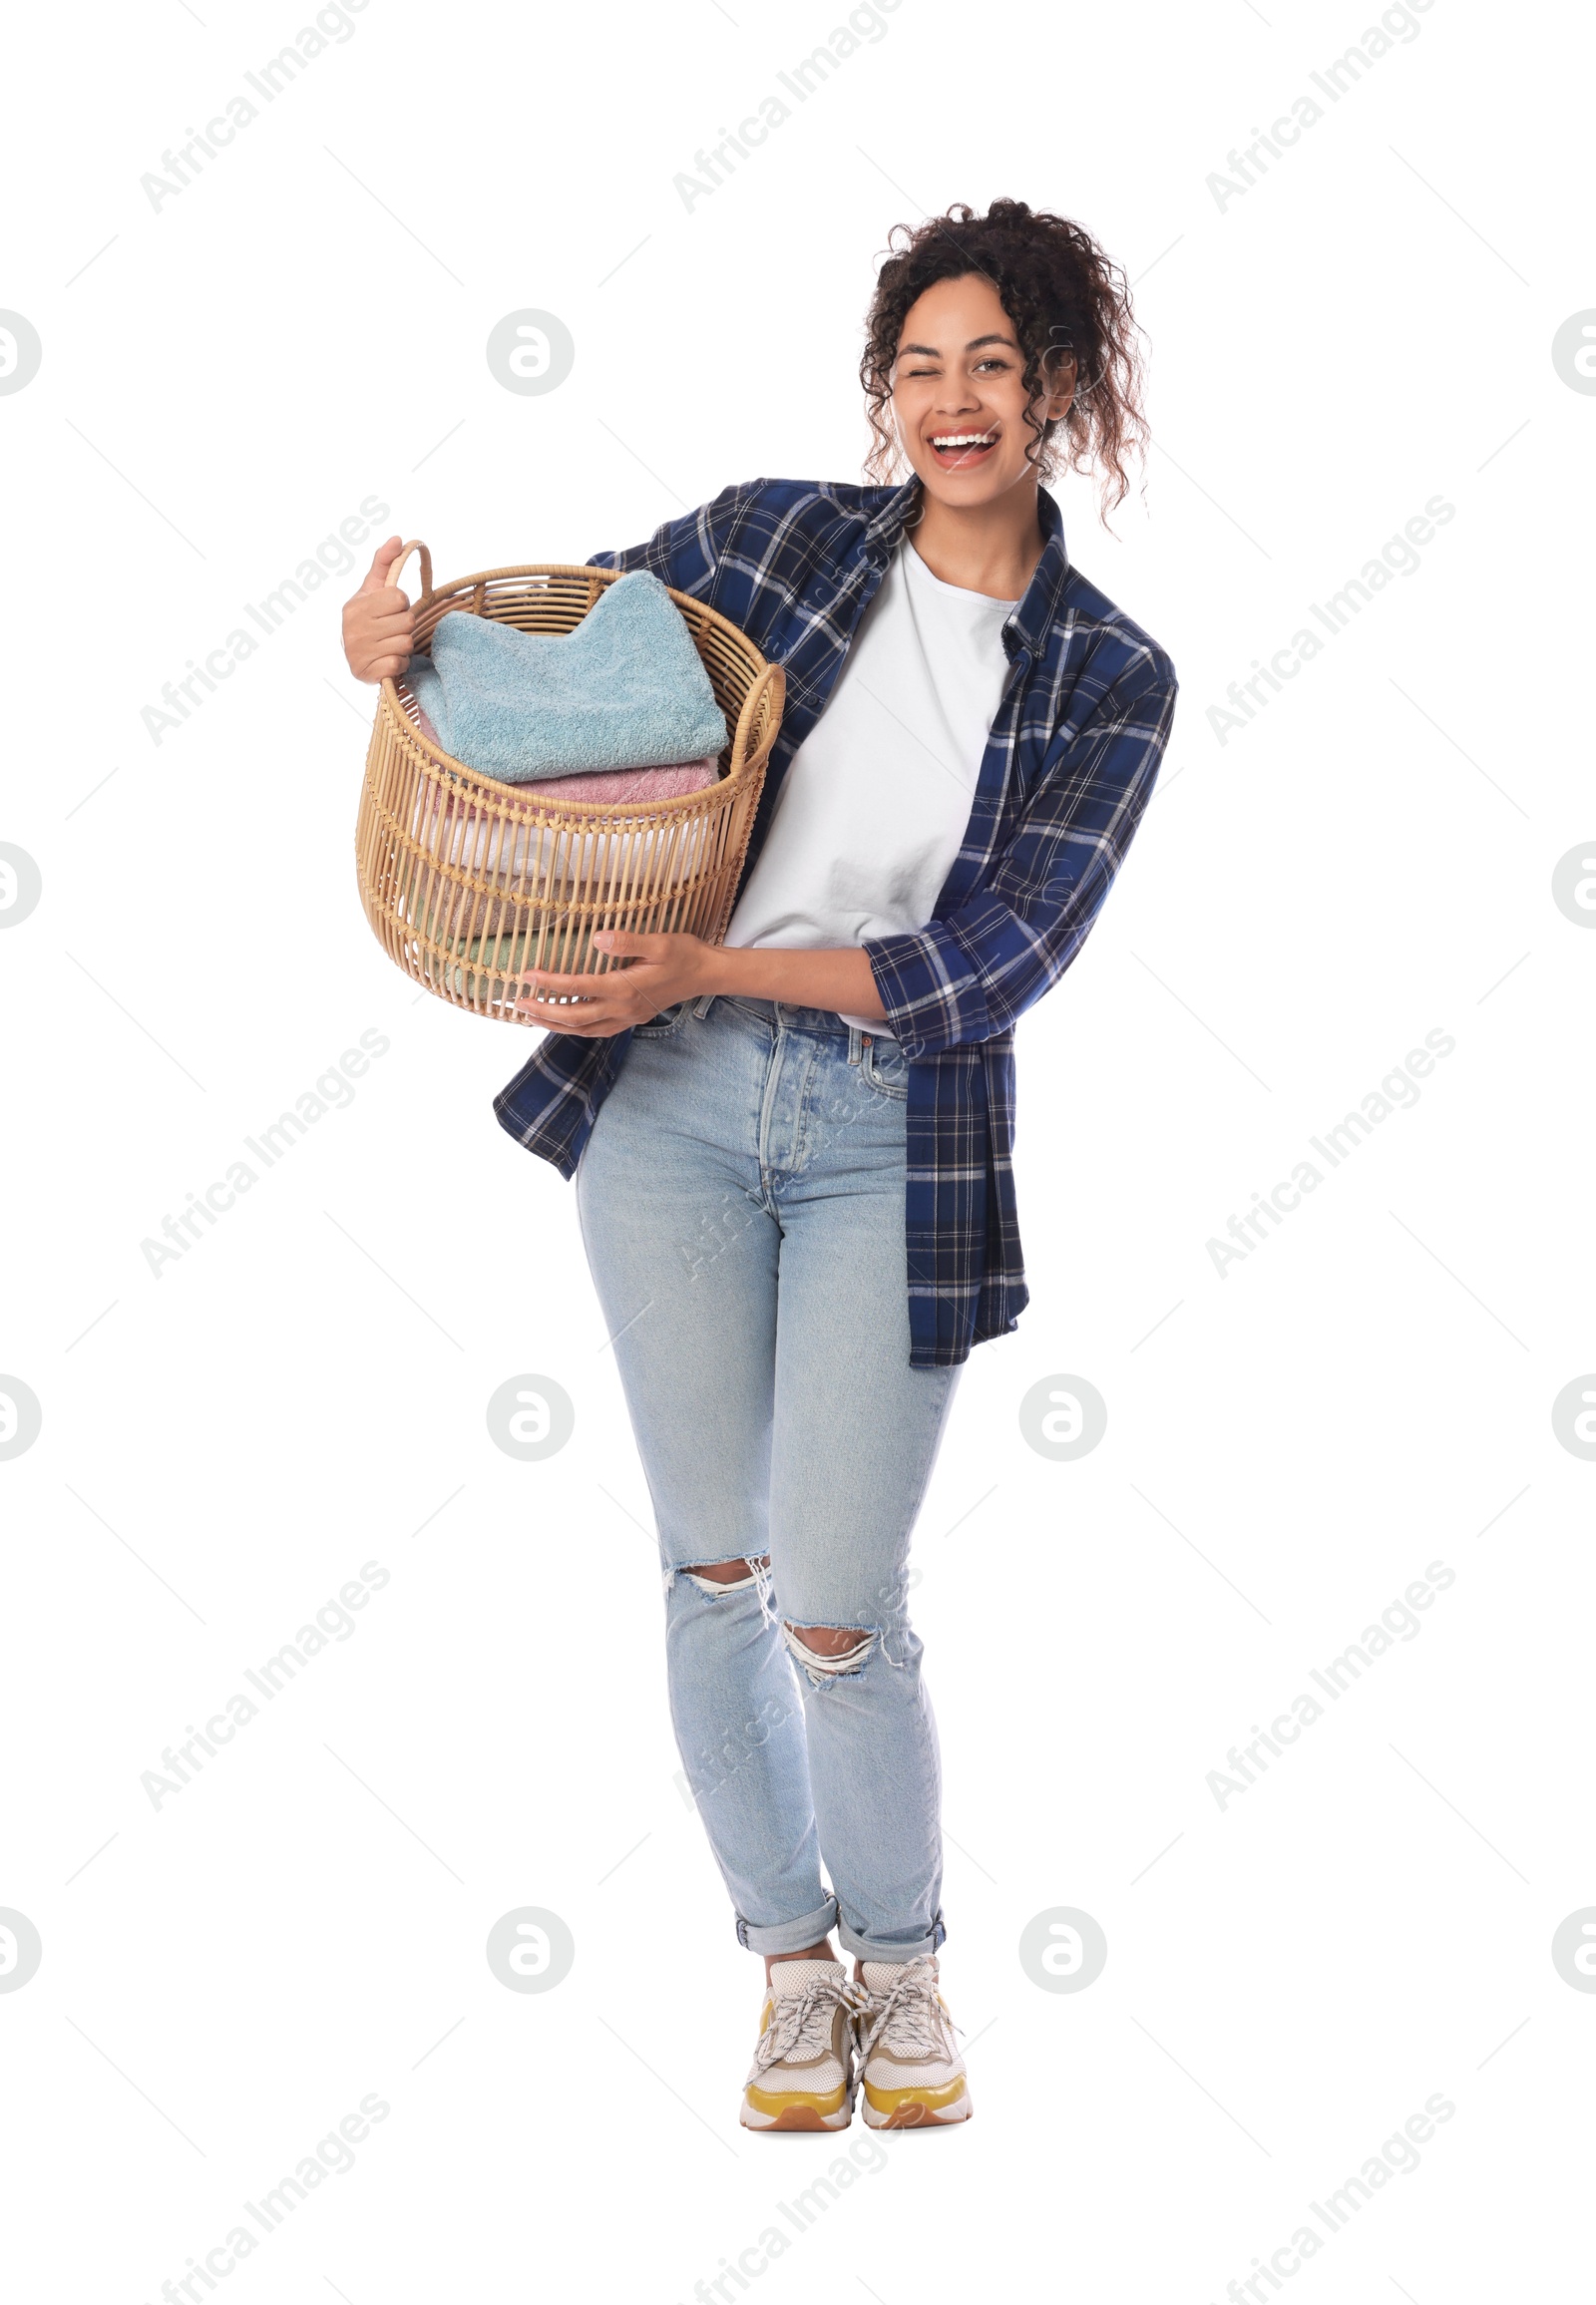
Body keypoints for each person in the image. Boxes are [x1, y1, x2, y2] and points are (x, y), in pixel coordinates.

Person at [341, 198, 1177, 2130]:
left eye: (990, 364)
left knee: (834, 1593)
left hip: (898, 1124)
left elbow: (997, 960)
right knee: (710, 1567)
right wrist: (405, 629)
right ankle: (786, 1972)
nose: (950, 401)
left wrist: (721, 952)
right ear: (881, 391)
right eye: (917, 365)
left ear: (1053, 390)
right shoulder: (783, 537)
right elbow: (571, 636)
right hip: (673, 1103)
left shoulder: (1106, 677)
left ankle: (901, 1962)